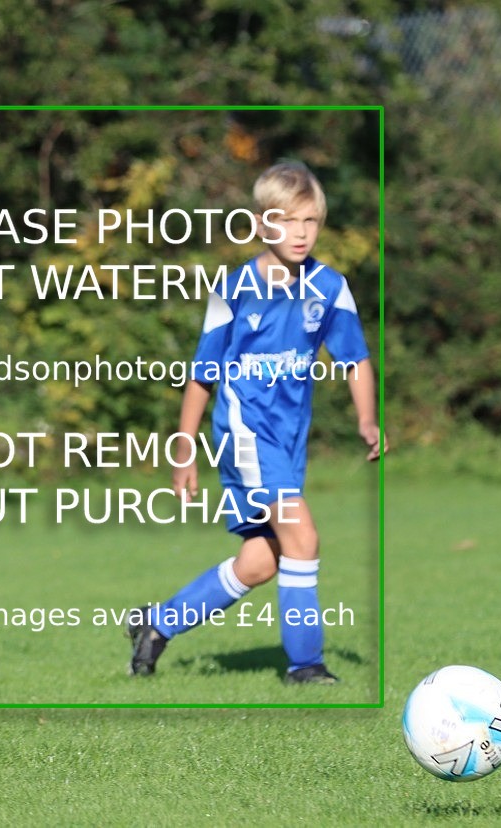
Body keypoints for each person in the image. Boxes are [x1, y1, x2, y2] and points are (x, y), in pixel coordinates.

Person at [127, 160, 385, 683]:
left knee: (261, 562)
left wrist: (367, 419)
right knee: (303, 536)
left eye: (310, 221)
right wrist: (184, 450)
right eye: (288, 221)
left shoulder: (330, 287)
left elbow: (355, 359)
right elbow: (202, 375)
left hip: (288, 444)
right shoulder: (235, 288)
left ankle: (156, 626)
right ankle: (305, 665)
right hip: (243, 434)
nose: (300, 233)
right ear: (262, 222)